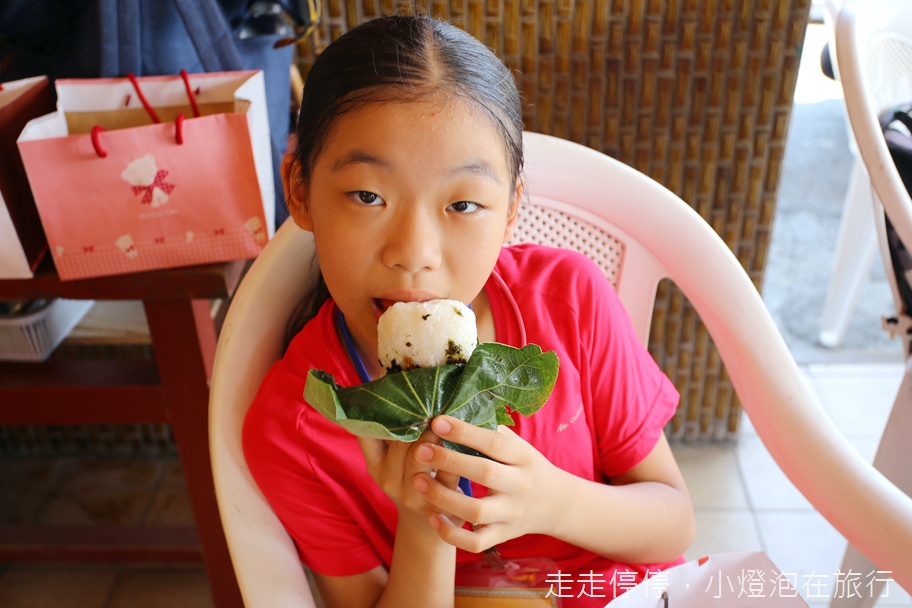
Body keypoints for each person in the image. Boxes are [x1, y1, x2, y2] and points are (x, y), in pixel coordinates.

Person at [242, 13, 695, 608]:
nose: (414, 254)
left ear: (510, 211)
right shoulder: (294, 427)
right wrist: (424, 521)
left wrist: (553, 501)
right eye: (368, 196)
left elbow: (673, 523)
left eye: (463, 203)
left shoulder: (570, 302)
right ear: (298, 190)